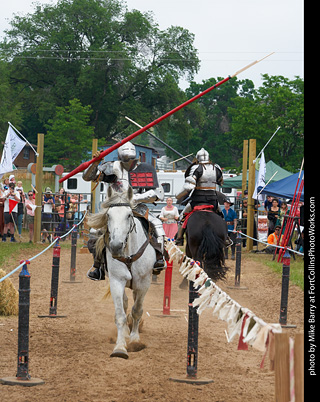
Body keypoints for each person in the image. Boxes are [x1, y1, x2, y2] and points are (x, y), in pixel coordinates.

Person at [83, 141, 166, 280]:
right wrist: (95, 163)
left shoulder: (145, 168)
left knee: (157, 224)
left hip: (137, 207)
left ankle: (159, 258)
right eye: (125, 160)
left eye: (131, 160)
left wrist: (136, 198)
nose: (128, 163)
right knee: (95, 232)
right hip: (115, 207)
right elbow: (87, 176)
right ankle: (98, 266)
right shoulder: (112, 167)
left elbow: (158, 193)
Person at [175, 147, 227, 245]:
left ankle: (179, 237)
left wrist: (177, 196)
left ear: (197, 158)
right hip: (213, 200)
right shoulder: (216, 168)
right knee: (221, 216)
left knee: (182, 217)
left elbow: (189, 186)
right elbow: (221, 182)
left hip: (197, 200)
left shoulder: (196, 168)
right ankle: (227, 237)